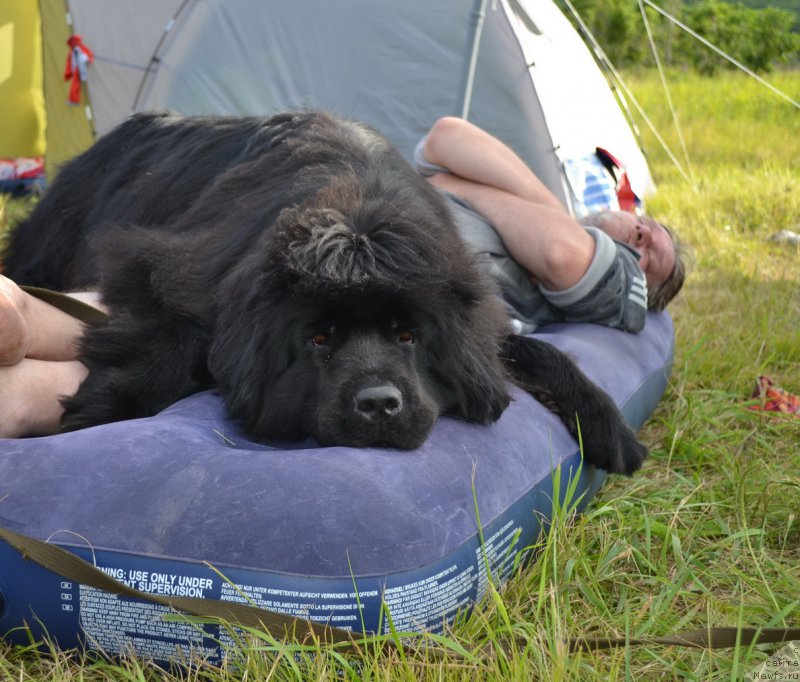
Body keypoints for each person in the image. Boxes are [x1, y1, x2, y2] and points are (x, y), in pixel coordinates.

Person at [0, 118, 685, 438]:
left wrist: (576, 394)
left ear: (641, 279)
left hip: (326, 235)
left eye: (656, 253)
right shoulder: (545, 218)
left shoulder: (597, 278)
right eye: (646, 228)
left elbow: (483, 349)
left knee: (163, 328)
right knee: (172, 317)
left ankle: (20, 331)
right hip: (180, 186)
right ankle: (18, 312)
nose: (645, 236)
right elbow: (444, 141)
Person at [415, 116, 684, 334]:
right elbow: (445, 135)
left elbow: (561, 253)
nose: (643, 232)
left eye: (650, 258)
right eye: (644, 222)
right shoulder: (542, 213)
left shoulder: (618, 286)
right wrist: (558, 216)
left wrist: (449, 186)